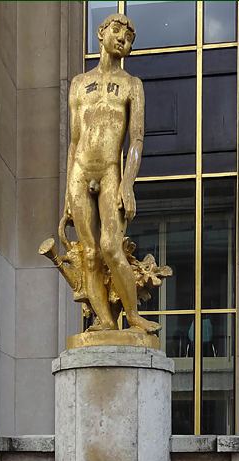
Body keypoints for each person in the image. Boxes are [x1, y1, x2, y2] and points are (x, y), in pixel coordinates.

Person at [64, 13, 159, 334]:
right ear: (101, 33)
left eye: (129, 36)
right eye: (117, 31)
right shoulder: (79, 83)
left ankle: (132, 316)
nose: (123, 39)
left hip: (110, 172)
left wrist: (128, 184)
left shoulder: (132, 85)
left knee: (110, 247)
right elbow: (74, 140)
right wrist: (67, 192)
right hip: (79, 171)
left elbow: (137, 138)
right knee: (88, 254)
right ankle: (104, 320)